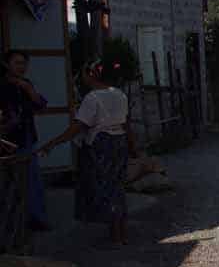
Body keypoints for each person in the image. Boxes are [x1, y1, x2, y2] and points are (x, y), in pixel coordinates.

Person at [37, 60, 138, 245]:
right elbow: (126, 124)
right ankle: (121, 233)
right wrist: (133, 147)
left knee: (106, 189)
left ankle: (116, 235)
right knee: (117, 187)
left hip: (101, 144)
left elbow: (79, 126)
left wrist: (52, 143)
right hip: (119, 141)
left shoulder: (92, 98)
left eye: (83, 74)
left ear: (91, 75)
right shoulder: (120, 94)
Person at [0, 50, 49, 230]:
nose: (21, 67)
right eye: (17, 63)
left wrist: (28, 90)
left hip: (26, 136)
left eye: (23, 63)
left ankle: (35, 218)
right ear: (7, 65)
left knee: (32, 178)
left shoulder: (26, 85)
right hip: (7, 139)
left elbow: (41, 105)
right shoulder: (3, 86)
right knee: (9, 181)